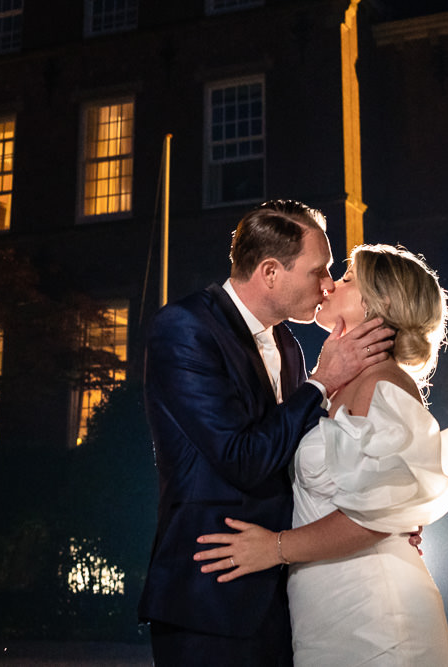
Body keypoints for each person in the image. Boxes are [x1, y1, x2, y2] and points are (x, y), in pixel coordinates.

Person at [140, 200, 396, 666]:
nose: (326, 285)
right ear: (271, 272)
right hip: (210, 594)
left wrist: (388, 518)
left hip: (285, 591)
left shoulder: (287, 344)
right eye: (317, 271)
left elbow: (304, 461)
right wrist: (322, 382)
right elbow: (242, 457)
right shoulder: (184, 328)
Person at [194, 243, 448, 666]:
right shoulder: (336, 385)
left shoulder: (383, 384)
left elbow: (375, 514)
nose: (330, 285)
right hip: (326, 610)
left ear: (381, 303)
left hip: (375, 613)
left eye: (348, 280)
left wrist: (274, 548)